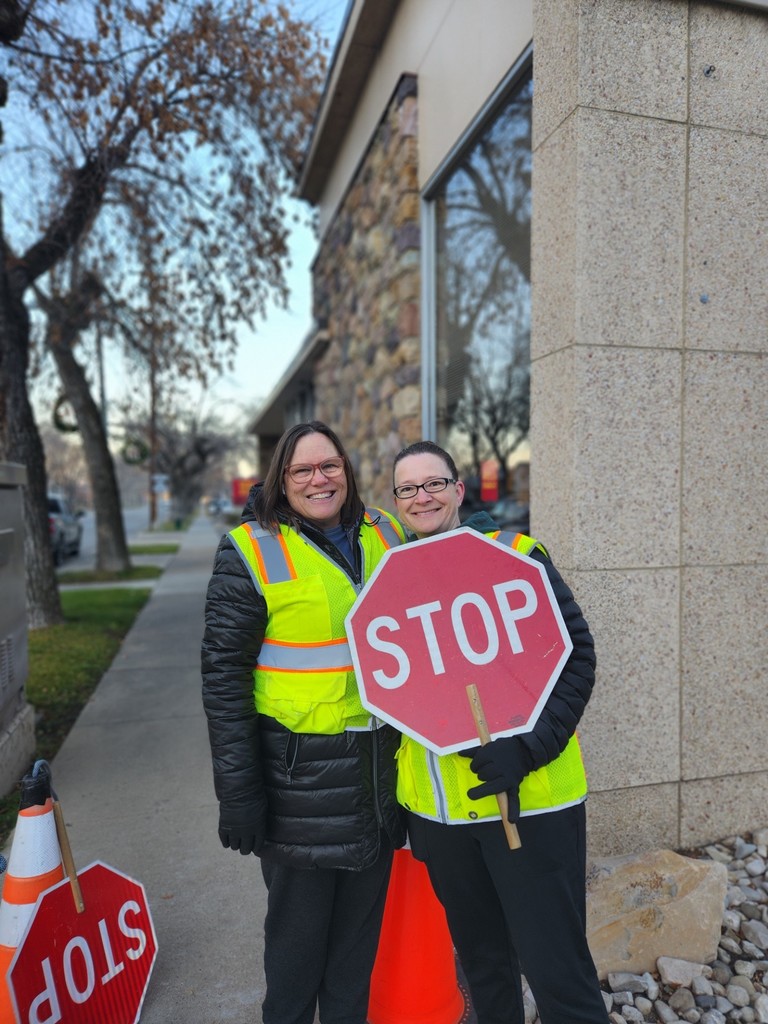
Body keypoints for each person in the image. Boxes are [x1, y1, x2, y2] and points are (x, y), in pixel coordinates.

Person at [391, 440, 609, 1024]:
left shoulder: (517, 555)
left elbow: (577, 659)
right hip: (441, 821)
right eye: (408, 488)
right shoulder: (389, 586)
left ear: (460, 489)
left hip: (532, 809)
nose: (422, 496)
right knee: (485, 972)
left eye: (434, 482)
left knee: (560, 976)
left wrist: (530, 749)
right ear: (396, 504)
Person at [201, 421, 407, 1024]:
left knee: (353, 962)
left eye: (330, 466)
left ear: (346, 468)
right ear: (281, 480)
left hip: (377, 781)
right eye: (302, 470)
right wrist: (238, 795)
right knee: (294, 962)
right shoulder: (249, 549)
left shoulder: (385, 532)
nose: (319, 479)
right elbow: (223, 681)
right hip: (300, 788)